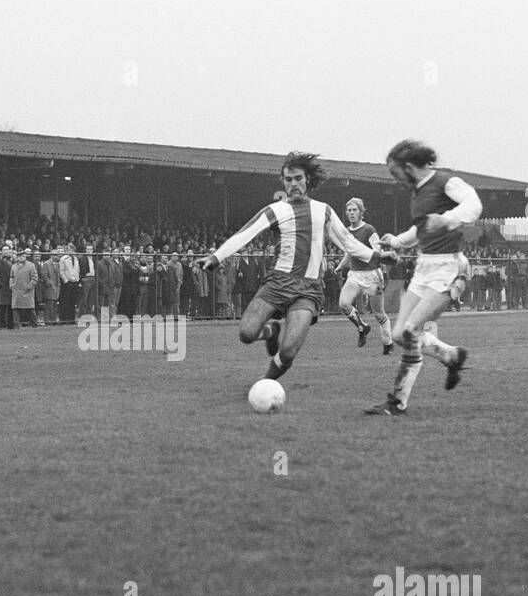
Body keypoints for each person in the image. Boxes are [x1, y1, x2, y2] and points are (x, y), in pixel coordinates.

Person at [195, 152, 389, 384]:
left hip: (308, 290)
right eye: (288, 179)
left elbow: (349, 242)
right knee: (246, 334)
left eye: (298, 178)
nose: (293, 183)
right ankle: (271, 332)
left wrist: (378, 256)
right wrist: (216, 257)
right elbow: (246, 233)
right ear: (283, 182)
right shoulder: (275, 210)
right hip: (277, 283)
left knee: (287, 352)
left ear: (308, 180)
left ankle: (264, 383)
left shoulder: (323, 210)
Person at [367, 140, 479, 416]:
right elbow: (420, 230)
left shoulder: (443, 181)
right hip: (423, 268)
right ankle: (452, 356)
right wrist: (396, 241)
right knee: (399, 334)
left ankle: (397, 402)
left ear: (408, 168)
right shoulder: (417, 193)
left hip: (449, 267)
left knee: (410, 331)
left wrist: (448, 219)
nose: (396, 181)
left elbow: (474, 203)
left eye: (396, 174)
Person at [334, 197, 393, 354]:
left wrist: (383, 270)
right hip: (354, 275)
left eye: (355, 210)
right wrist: (340, 266)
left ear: (361, 212)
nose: (351, 213)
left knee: (379, 314)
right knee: (343, 304)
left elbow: (378, 252)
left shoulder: (369, 230)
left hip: (372, 276)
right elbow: (349, 252)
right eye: (349, 210)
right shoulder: (347, 231)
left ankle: (388, 345)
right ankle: (362, 327)